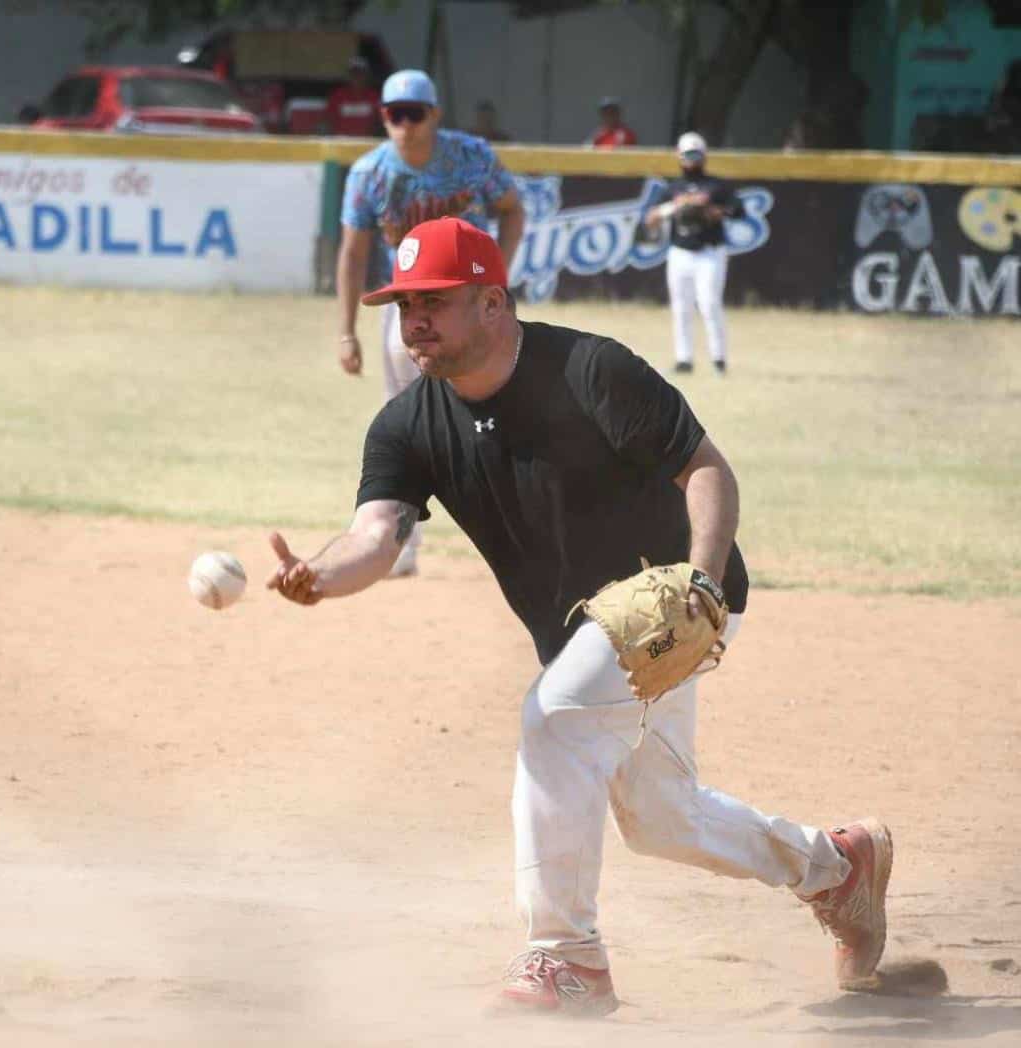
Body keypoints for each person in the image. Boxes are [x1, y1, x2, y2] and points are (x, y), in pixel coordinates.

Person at [270, 215, 892, 1016]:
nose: (413, 319)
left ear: (493, 302)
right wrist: (317, 575)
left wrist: (701, 582)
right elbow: (377, 534)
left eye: (434, 300)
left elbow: (707, 471)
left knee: (555, 720)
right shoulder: (408, 423)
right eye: (403, 302)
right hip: (587, 634)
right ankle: (838, 869)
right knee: (663, 819)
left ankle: (565, 957)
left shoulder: (591, 370)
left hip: (680, 599)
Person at [336, 69, 525, 578]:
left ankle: (525, 539)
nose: (403, 124)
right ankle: (398, 547)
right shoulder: (370, 173)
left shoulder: (470, 157)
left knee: (501, 420)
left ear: (434, 114)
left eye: (413, 113)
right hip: (411, 311)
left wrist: (497, 286)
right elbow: (353, 255)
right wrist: (347, 330)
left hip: (473, 307)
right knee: (410, 428)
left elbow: (512, 209)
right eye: (392, 114)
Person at [643, 131, 743, 374]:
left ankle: (719, 359)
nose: (692, 159)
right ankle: (684, 359)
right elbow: (650, 218)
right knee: (681, 306)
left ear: (704, 155)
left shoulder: (717, 186)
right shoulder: (672, 188)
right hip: (680, 252)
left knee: (709, 304)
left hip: (710, 251)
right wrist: (676, 206)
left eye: (696, 154)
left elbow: (738, 211)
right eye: (688, 154)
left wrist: (710, 209)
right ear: (679, 156)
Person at [325, 56, 382, 137]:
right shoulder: (338, 95)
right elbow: (328, 120)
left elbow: (381, 121)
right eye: (354, 73)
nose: (357, 77)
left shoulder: (374, 96)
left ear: (367, 75)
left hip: (367, 141)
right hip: (341, 141)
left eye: (360, 73)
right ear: (348, 76)